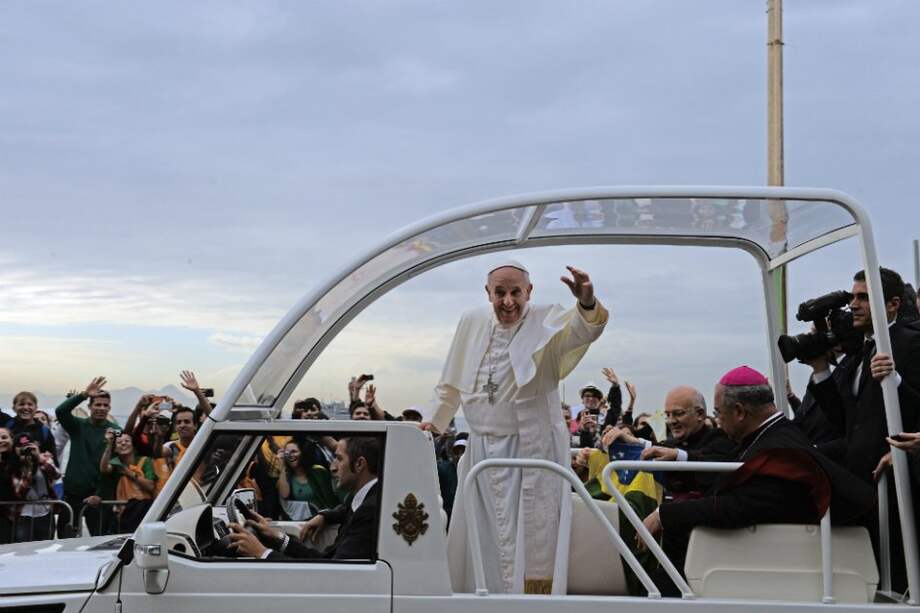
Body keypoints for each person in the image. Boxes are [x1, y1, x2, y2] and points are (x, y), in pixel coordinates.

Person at [421, 261, 608, 594]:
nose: (508, 302)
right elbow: (450, 381)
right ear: (488, 293)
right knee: (483, 542)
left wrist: (587, 303)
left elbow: (583, 331)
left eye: (515, 293)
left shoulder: (546, 318)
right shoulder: (472, 321)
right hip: (480, 451)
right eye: (500, 293)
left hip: (531, 452)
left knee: (530, 543)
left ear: (529, 292)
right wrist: (432, 423)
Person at [642, 366, 874, 594]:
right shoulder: (768, 435)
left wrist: (667, 514)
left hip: (778, 569)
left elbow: (741, 505)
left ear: (740, 412)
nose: (718, 421)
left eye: (719, 413)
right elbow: (728, 469)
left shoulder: (780, 450)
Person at [805, 267, 920, 593]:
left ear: (893, 304)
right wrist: (820, 370)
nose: (853, 305)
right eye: (853, 297)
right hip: (862, 486)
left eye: (864, 298)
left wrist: (894, 379)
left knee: (898, 583)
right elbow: (846, 421)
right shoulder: (861, 353)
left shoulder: (911, 342)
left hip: (899, 490)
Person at [229, 437, 381, 560]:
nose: (333, 467)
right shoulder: (362, 500)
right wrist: (277, 537)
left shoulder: (370, 510)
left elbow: (334, 574)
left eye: (339, 459)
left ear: (360, 464)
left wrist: (261, 553)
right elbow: (326, 561)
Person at [640, 386, 734, 499]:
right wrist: (635, 442)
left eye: (678, 413)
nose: (671, 421)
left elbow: (707, 460)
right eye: (667, 415)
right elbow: (662, 448)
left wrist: (678, 456)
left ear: (700, 414)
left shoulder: (720, 438)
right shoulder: (674, 442)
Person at [55, 376, 119, 535]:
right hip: (72, 494)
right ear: (90, 406)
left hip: (98, 497)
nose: (102, 408)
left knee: (99, 541)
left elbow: (114, 467)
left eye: (106, 405)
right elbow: (61, 411)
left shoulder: (115, 431)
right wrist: (84, 394)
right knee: (66, 538)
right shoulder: (78, 426)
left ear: (109, 408)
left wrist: (99, 494)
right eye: (98, 404)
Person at [100, 429, 157, 533]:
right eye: (119, 442)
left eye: (127, 441)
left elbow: (150, 486)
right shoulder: (116, 464)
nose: (123, 443)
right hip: (125, 512)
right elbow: (104, 468)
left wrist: (128, 472)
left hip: (145, 509)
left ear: (133, 445)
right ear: (115, 449)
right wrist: (109, 444)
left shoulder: (145, 461)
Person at [275, 440, 338, 520]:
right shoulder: (287, 477)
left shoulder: (318, 472)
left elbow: (331, 499)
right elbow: (284, 495)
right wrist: (282, 467)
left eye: (294, 451)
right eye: (287, 453)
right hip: (302, 523)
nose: (290, 455)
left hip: (324, 520)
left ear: (302, 452)